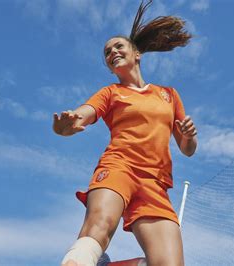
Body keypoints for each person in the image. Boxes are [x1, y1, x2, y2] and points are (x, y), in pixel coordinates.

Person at [54, 1, 197, 265]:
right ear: (109, 67)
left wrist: (188, 135)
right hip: (119, 167)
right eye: (107, 52)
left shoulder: (169, 95)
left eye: (118, 46)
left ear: (136, 53)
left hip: (155, 182)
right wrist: (70, 123)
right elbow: (85, 112)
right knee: (99, 226)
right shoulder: (111, 93)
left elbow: (187, 149)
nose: (112, 52)